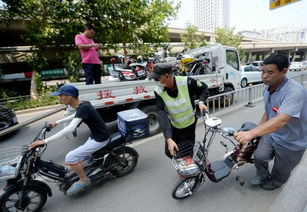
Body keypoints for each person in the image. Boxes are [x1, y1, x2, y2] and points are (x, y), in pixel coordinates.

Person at [234, 53, 307, 190]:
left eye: (270, 72)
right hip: (273, 133)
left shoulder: (295, 92)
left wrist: (251, 133)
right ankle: (262, 174)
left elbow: (281, 120)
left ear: (284, 71)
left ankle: (276, 181)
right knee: (260, 155)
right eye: (263, 71)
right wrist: (258, 132)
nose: (264, 76)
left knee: (282, 167)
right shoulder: (267, 88)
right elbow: (269, 112)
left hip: (292, 141)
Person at [30, 85, 110, 195]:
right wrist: (57, 122)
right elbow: (76, 116)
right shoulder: (83, 104)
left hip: (100, 139)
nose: (60, 99)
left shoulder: (84, 107)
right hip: (96, 135)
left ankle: (83, 179)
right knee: (81, 158)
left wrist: (45, 141)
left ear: (70, 97)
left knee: (70, 157)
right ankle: (87, 169)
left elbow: (71, 127)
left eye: (61, 96)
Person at [149, 63, 210, 158]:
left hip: (189, 125)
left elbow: (204, 88)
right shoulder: (158, 91)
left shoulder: (187, 82)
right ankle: (183, 164)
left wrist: (201, 102)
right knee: (170, 151)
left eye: (157, 79)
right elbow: (161, 113)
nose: (155, 81)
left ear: (167, 76)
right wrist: (168, 139)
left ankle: (191, 171)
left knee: (186, 154)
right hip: (174, 126)